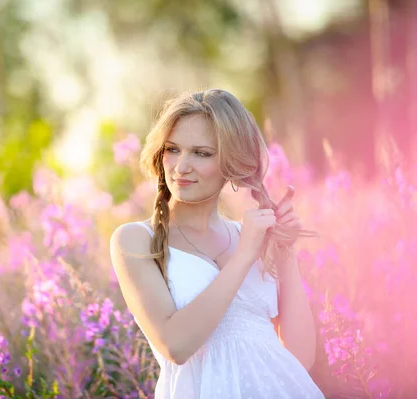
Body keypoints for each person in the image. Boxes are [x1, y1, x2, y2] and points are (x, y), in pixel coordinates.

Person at [109, 89, 325, 398]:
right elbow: (176, 345)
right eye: (173, 149)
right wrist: (244, 256)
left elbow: (300, 360)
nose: (181, 166)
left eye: (201, 153)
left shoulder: (251, 235)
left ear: (232, 162)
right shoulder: (135, 240)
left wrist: (284, 250)